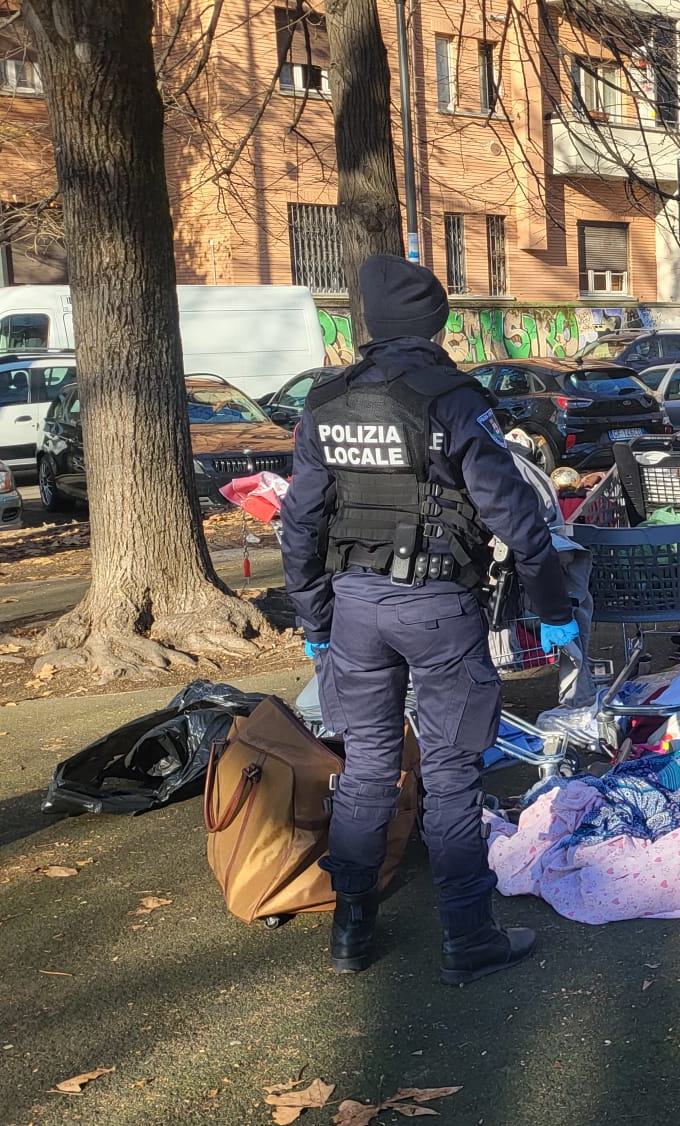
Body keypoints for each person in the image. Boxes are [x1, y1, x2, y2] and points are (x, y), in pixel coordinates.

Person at [280, 255, 580, 983]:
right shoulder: (451, 396)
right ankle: (469, 938)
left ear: (370, 323)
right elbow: (514, 515)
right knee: (449, 775)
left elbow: (299, 524)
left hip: (353, 609)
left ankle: (351, 932)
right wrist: (554, 610)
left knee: (368, 771)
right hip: (437, 608)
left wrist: (315, 617)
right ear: (434, 323)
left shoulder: (327, 400)